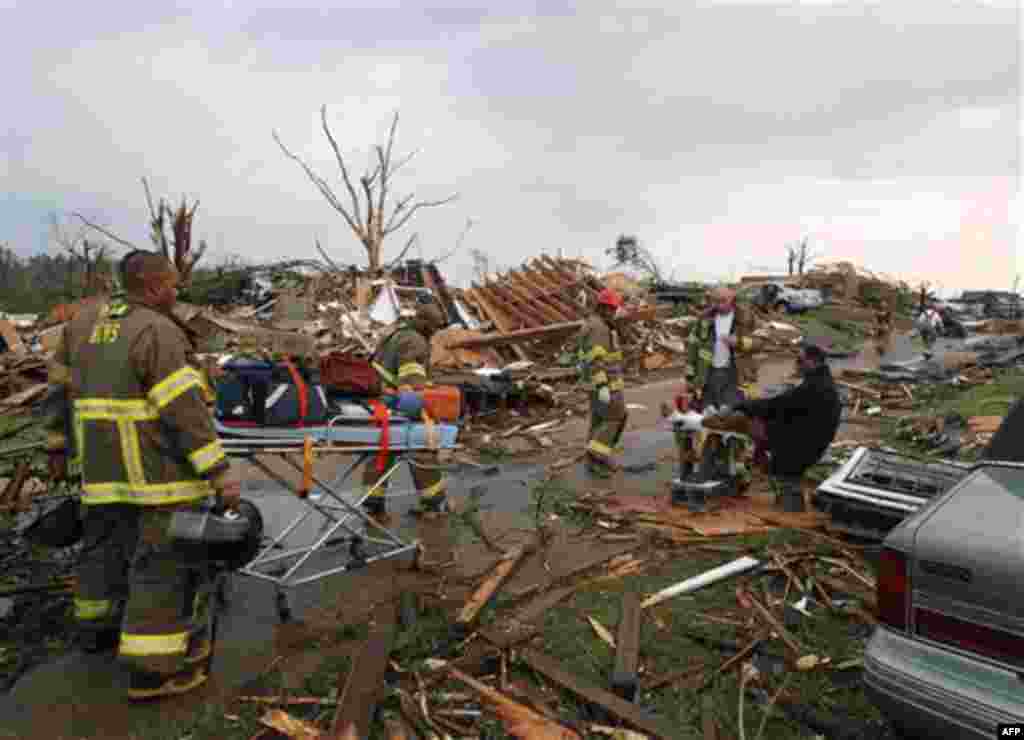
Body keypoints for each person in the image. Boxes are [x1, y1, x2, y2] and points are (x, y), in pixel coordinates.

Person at [44, 250, 241, 700]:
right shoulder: (158, 331)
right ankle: (152, 673)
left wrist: (56, 445)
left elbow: (57, 388)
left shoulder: (82, 323)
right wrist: (219, 472)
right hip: (157, 475)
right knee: (161, 566)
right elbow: (184, 411)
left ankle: (96, 632)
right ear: (153, 286)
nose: (176, 292)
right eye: (172, 284)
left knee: (103, 552)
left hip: (98, 472)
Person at [725, 343, 841, 512]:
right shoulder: (822, 382)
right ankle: (764, 471)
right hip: (811, 441)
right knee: (763, 427)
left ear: (812, 362)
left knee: (751, 425)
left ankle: (762, 471)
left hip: (802, 447)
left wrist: (742, 406)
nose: (797, 365)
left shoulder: (813, 387)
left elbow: (778, 405)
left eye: (800, 361)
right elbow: (786, 406)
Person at [362, 296, 449, 518]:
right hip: (392, 403)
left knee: (382, 449)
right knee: (423, 443)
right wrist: (428, 412)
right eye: (434, 328)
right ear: (426, 323)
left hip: (376, 404)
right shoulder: (416, 342)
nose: (435, 332)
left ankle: (374, 503)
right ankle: (433, 505)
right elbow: (410, 387)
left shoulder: (398, 333)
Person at [576, 288, 628, 478]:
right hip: (605, 384)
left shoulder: (594, 324)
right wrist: (602, 386)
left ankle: (596, 461)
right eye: (612, 309)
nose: (614, 313)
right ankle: (597, 456)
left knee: (599, 421)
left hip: (600, 384)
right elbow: (596, 359)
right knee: (616, 417)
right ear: (604, 308)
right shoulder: (598, 328)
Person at [686, 287, 759, 413]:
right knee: (708, 415)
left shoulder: (746, 318)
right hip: (708, 375)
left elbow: (761, 341)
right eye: (716, 301)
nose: (719, 305)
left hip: (736, 374)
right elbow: (692, 347)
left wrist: (739, 342)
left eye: (723, 301)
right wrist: (690, 378)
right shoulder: (704, 318)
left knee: (733, 414)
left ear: (732, 299)